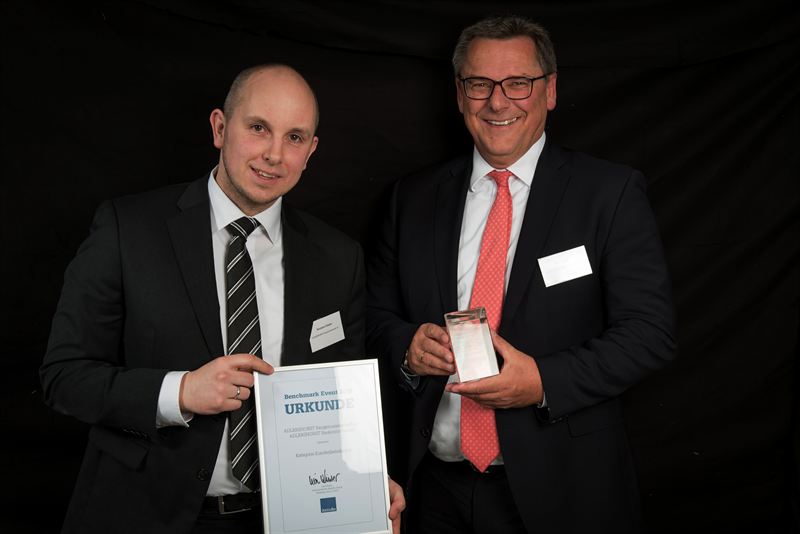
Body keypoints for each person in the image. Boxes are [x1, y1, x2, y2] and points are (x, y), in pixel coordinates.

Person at [41, 64, 404, 534]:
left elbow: (341, 407)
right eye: (258, 128)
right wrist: (180, 392)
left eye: (294, 138)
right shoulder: (127, 230)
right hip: (145, 513)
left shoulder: (339, 258)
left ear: (311, 151)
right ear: (219, 128)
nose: (274, 154)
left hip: (284, 521)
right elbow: (64, 377)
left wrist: (367, 484)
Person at [366, 15, 675, 534]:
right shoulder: (412, 198)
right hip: (432, 490)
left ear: (550, 91)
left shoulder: (609, 194)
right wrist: (406, 348)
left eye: (518, 83)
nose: (497, 101)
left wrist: (542, 382)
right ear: (459, 94)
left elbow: (649, 334)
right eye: (479, 84)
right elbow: (374, 315)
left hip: (565, 490)